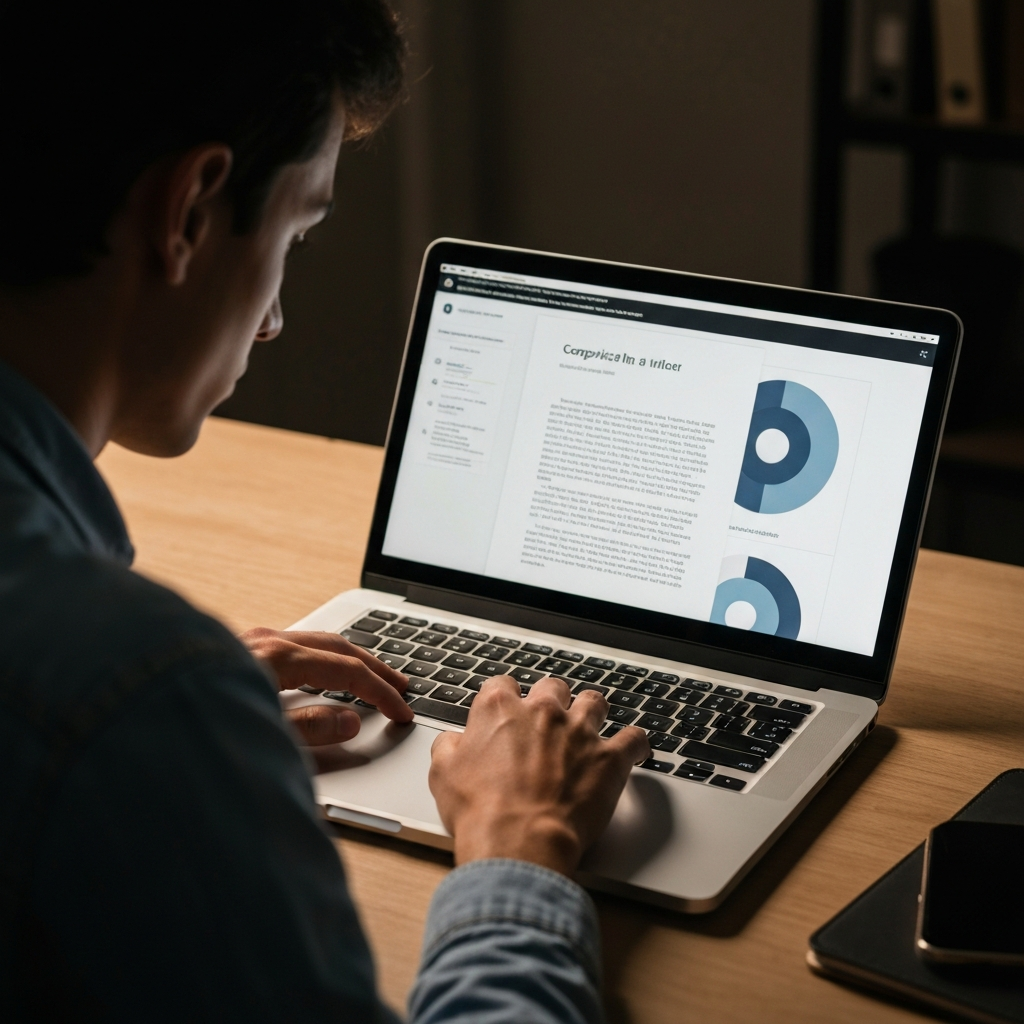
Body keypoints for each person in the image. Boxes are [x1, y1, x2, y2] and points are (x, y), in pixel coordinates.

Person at [0, 2, 650, 1021]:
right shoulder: (132, 694)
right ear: (189, 211)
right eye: (297, 232)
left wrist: (174, 705)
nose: (273, 323)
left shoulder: (116, 684)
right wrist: (519, 848)